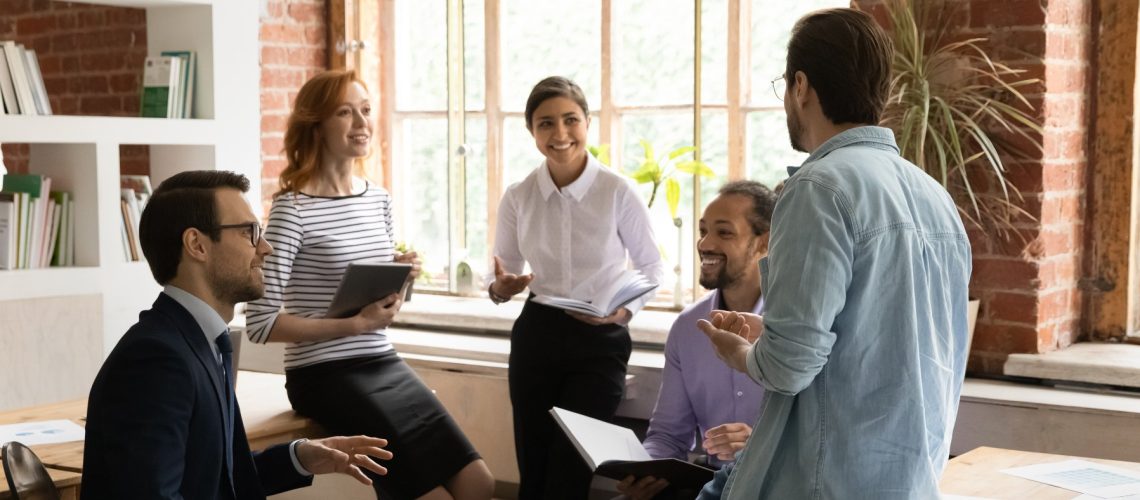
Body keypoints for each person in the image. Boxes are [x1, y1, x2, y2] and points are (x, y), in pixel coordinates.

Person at [698, 8, 973, 499]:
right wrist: (776, 331)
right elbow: (895, 343)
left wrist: (740, 352)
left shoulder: (818, 187)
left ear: (800, 85)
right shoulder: (936, 197)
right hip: (910, 478)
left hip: (825, 480)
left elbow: (787, 368)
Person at [244, 69, 494, 500]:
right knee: (429, 495)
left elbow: (380, 311)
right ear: (316, 125)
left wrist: (398, 277)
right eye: (345, 112)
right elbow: (260, 324)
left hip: (380, 360)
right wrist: (352, 326)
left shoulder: (377, 199)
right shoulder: (292, 209)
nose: (362, 124)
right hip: (322, 374)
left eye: (365, 110)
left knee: (479, 482)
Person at [82, 170, 393, 500]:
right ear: (196, 245)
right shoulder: (156, 359)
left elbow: (221, 480)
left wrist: (300, 457)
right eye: (250, 232)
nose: (266, 248)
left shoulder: (203, 342)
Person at [489, 75, 664, 499]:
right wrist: (502, 287)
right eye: (546, 123)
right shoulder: (518, 196)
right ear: (532, 131)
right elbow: (500, 277)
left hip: (599, 337)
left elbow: (653, 267)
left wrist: (621, 314)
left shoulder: (617, 191)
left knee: (570, 469)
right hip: (537, 333)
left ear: (587, 122)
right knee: (534, 463)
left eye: (571, 120)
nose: (560, 133)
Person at [616, 181, 777, 500]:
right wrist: (644, 469)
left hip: (778, 482)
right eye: (703, 231)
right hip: (710, 484)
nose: (705, 243)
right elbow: (667, 436)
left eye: (724, 232)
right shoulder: (688, 328)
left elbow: (824, 434)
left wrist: (761, 442)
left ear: (764, 243)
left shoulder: (796, 326)